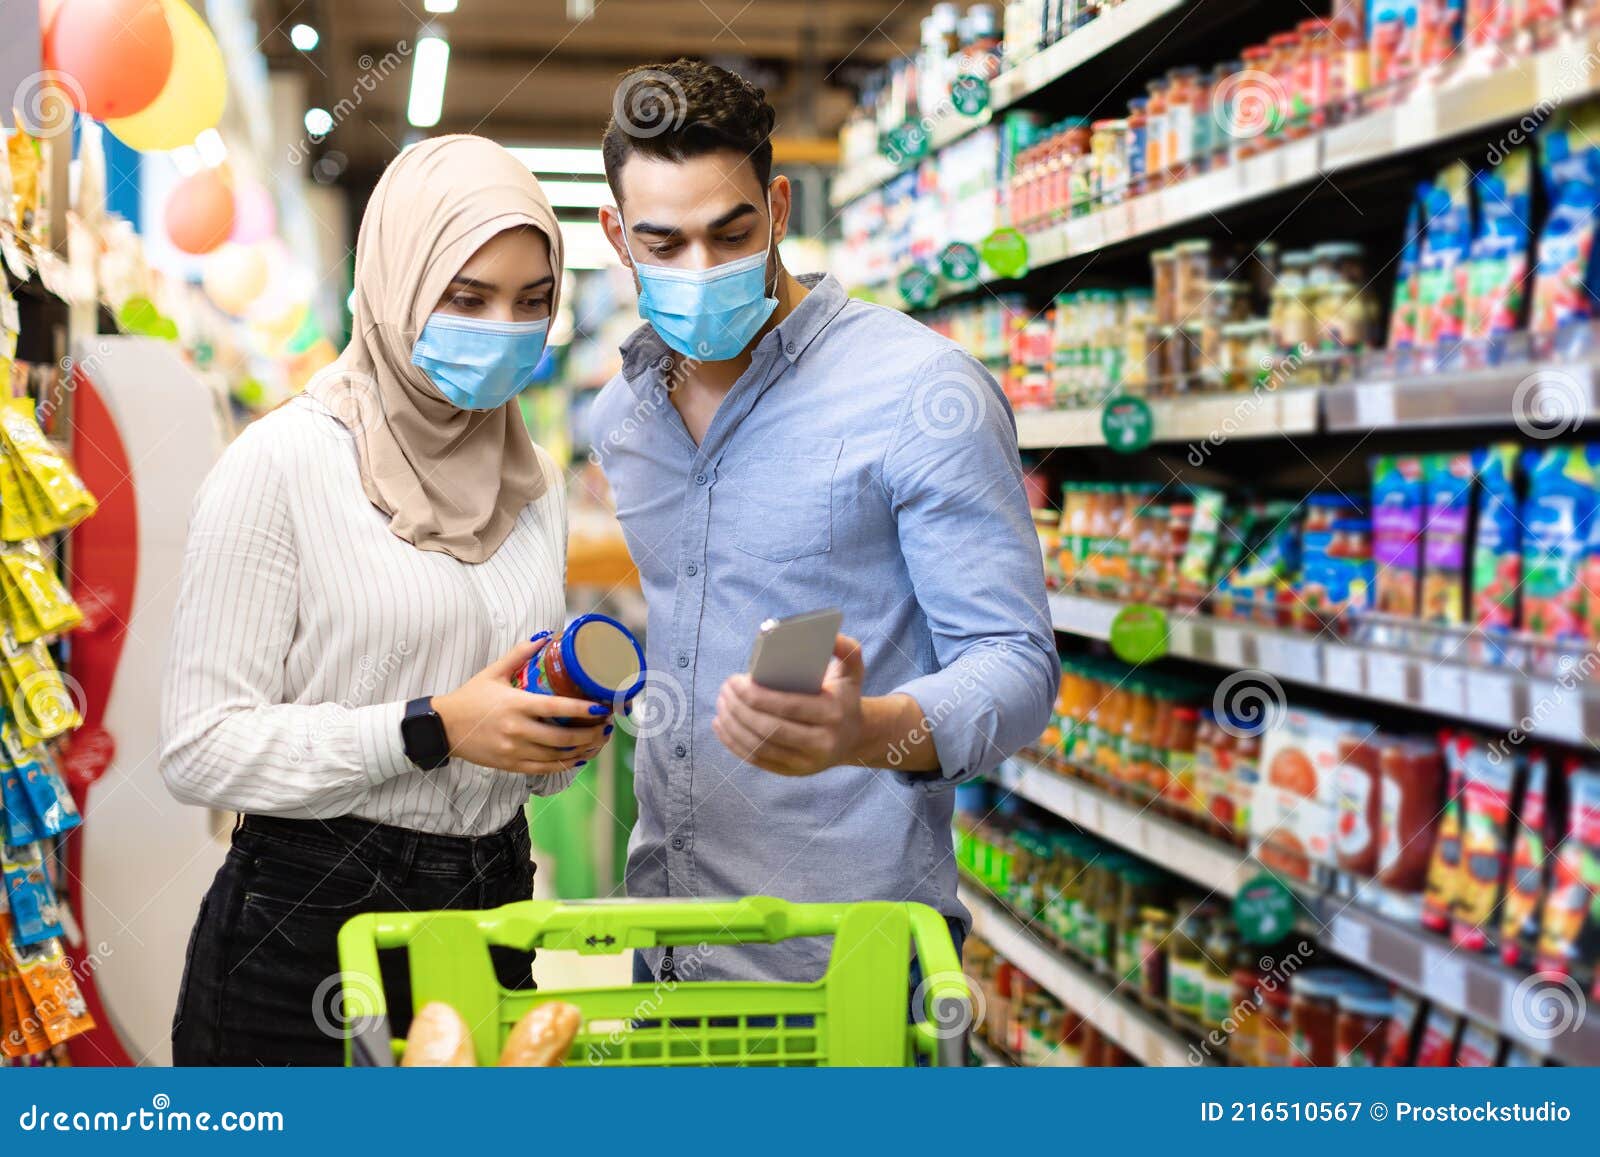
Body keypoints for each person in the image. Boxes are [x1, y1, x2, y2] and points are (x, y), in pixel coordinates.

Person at [591, 60, 1057, 984]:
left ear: (778, 206)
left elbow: (1017, 664)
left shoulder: (921, 392)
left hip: (849, 964)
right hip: (667, 948)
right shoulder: (624, 419)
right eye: (664, 243)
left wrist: (864, 729)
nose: (701, 270)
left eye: (730, 234)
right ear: (616, 234)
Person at [160, 135, 609, 1066]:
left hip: (493, 904)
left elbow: (528, 763)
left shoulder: (532, 485)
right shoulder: (281, 465)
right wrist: (430, 725)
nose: (504, 330)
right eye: (467, 297)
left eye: (533, 303)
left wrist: (556, 734)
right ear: (396, 285)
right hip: (309, 922)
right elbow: (199, 747)